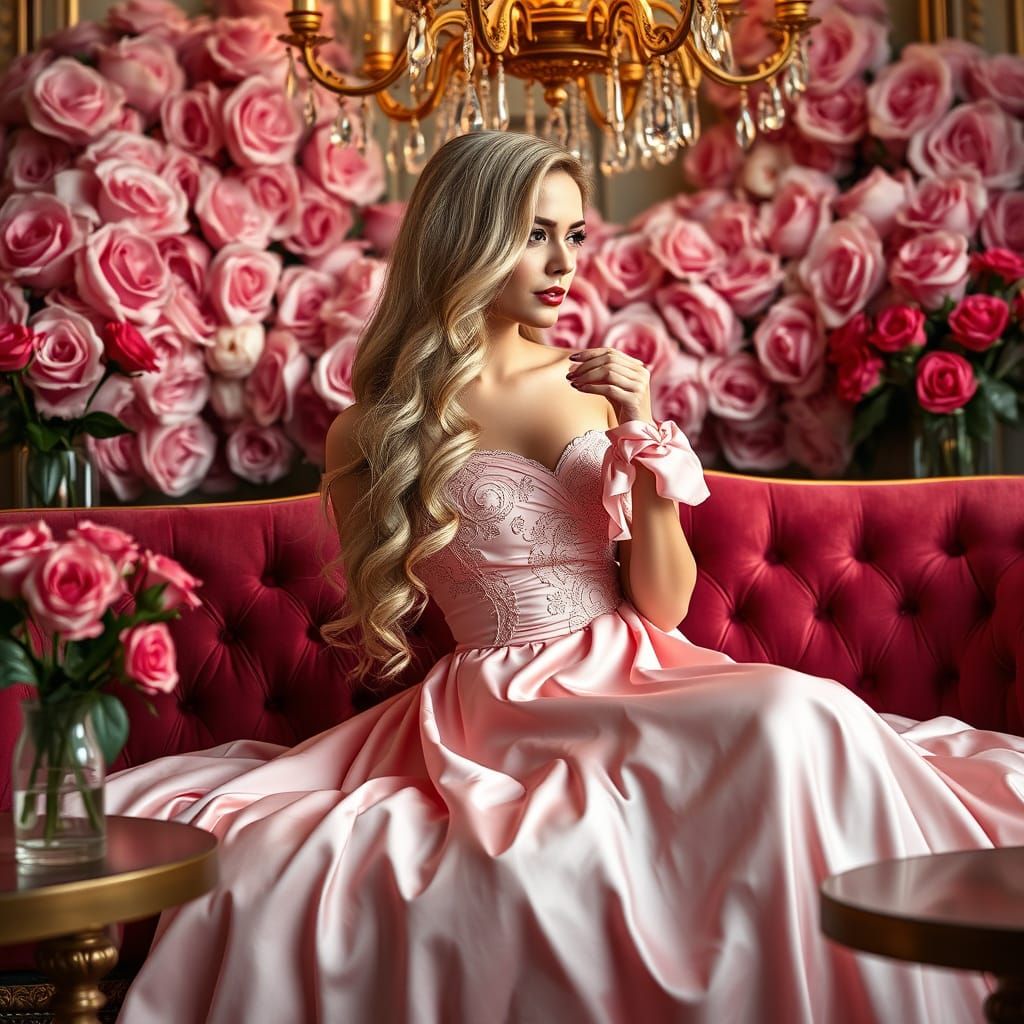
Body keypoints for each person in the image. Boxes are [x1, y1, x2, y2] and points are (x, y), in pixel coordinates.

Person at [106, 131, 1024, 1023]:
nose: (563, 263)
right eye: (535, 235)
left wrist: (646, 432)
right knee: (777, 726)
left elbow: (665, 604)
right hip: (497, 705)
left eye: (574, 234)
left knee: (803, 713)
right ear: (466, 241)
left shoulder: (596, 386)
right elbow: (393, 609)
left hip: (639, 665)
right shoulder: (375, 430)